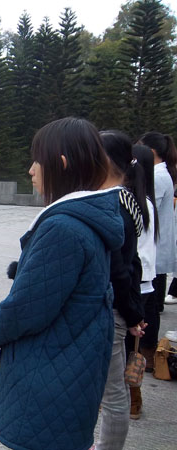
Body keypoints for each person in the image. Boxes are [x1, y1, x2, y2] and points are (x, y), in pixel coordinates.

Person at [0, 117, 124, 450]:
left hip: (52, 376)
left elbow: (26, 308)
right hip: (74, 368)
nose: (31, 170)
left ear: (61, 163)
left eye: (37, 160)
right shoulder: (89, 217)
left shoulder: (64, 228)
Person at [95, 131, 146, 450]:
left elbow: (119, 271)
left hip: (111, 310)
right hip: (119, 307)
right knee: (111, 392)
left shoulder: (112, 205)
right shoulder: (127, 200)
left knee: (113, 395)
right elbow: (133, 264)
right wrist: (135, 312)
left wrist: (130, 314)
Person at [125, 143, 158, 420]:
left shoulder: (132, 202)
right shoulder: (146, 200)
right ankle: (132, 400)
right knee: (129, 345)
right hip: (144, 282)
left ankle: (131, 401)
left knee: (123, 346)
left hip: (134, 282)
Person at [138, 132, 177, 316]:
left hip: (156, 241)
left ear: (151, 151)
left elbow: (150, 209)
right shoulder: (160, 173)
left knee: (152, 303)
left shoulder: (157, 176)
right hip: (158, 240)